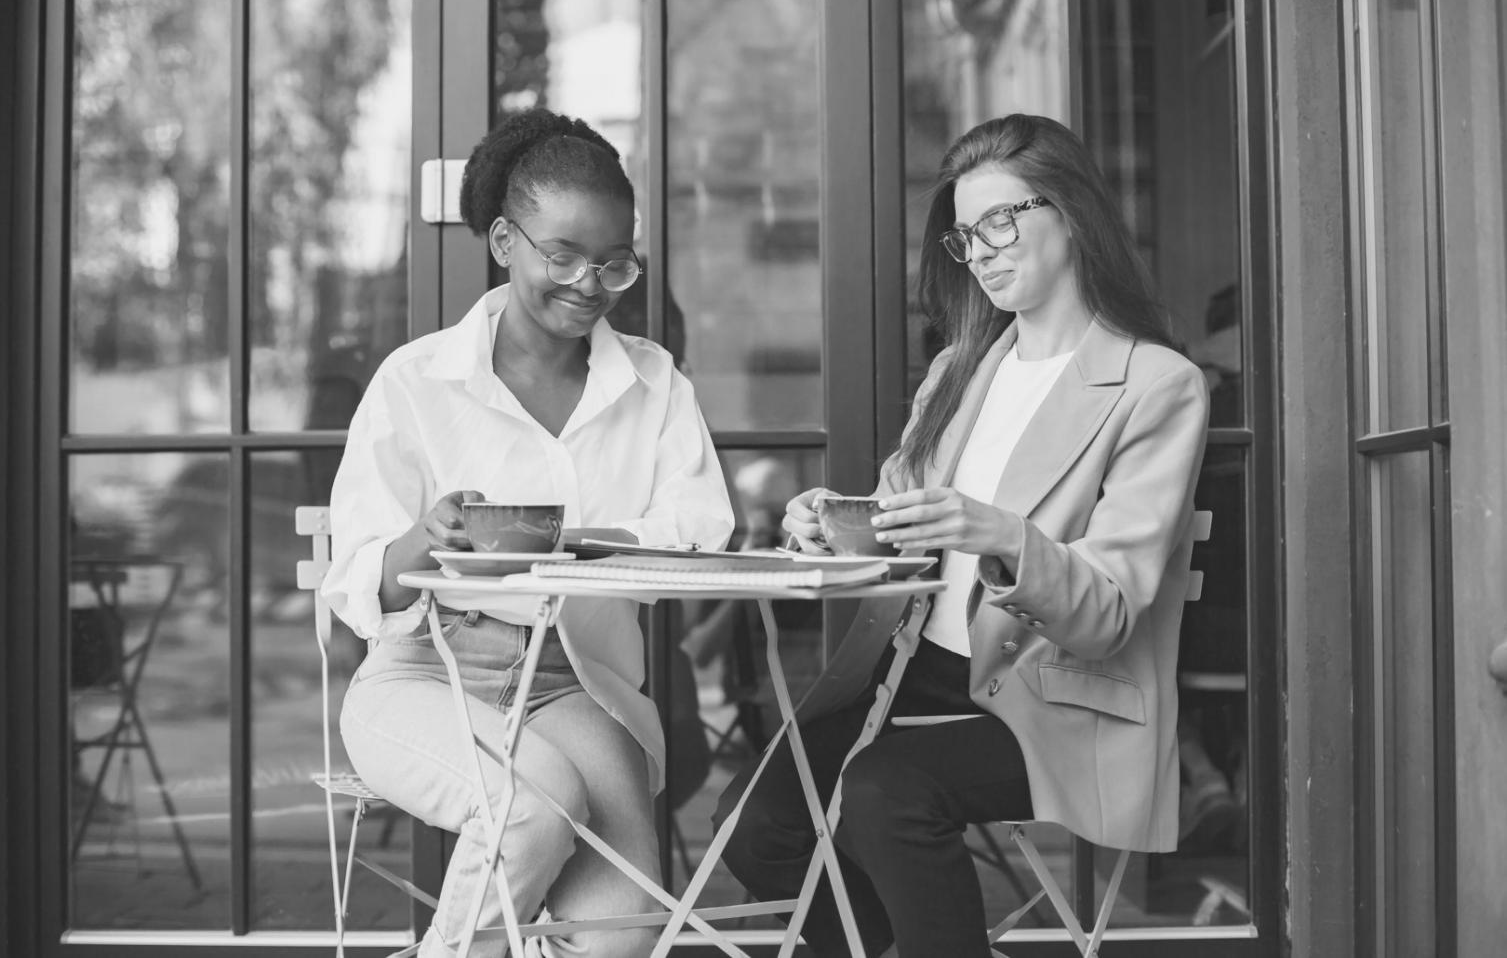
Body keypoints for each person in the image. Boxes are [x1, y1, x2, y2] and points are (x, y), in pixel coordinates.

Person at [714, 113, 1210, 957]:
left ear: (1070, 213)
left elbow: (1109, 613)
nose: (978, 252)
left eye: (999, 222)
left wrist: (1003, 537)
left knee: (882, 795)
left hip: (1057, 698)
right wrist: (828, 523)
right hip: (915, 677)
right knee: (754, 821)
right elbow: (893, 515)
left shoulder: (1155, 386)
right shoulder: (960, 369)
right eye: (964, 236)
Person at [322, 107, 735, 958]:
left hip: (573, 680)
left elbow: (700, 530)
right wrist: (426, 536)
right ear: (506, 241)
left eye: (614, 261)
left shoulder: (654, 382)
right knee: (531, 806)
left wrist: (570, 544)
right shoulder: (416, 380)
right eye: (564, 255)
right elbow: (360, 582)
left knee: (620, 940)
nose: (590, 282)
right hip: (427, 671)